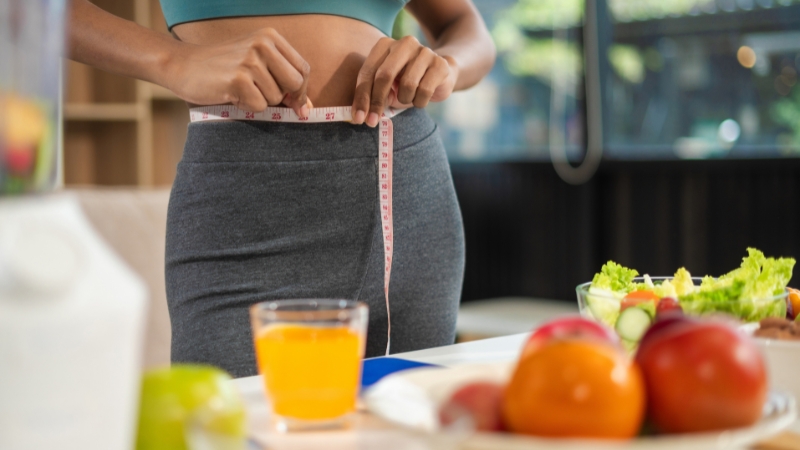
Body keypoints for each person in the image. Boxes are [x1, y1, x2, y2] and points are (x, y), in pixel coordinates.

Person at [68, 0, 496, 377]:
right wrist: (173, 61)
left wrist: (447, 65)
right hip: (241, 209)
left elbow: (464, 24)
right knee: (229, 430)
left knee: (410, 430)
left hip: (409, 197)